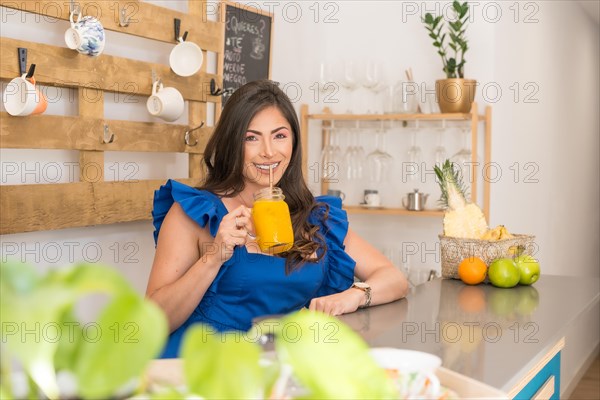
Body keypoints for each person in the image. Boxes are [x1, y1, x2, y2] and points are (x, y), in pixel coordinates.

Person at [147, 80, 408, 357]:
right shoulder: (197, 212)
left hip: (279, 368)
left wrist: (354, 295)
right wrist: (213, 257)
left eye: (279, 136)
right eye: (251, 137)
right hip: (204, 369)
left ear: (293, 142)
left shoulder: (315, 218)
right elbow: (154, 322)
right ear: (231, 144)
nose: (269, 151)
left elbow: (394, 279)